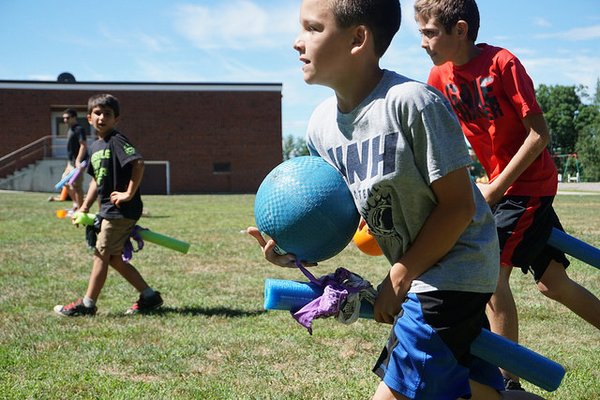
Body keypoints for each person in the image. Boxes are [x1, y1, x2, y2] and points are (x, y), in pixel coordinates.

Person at [248, 1, 543, 398]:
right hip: (418, 272)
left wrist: (400, 275)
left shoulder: (412, 103)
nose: (297, 42)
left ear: (358, 39)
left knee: (398, 390)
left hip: (456, 268)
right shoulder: (320, 127)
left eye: (313, 29)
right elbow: (333, 211)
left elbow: (460, 206)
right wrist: (295, 247)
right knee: (464, 385)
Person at [414, 0, 600, 390]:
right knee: (553, 283)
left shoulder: (502, 64)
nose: (423, 43)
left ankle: (506, 384)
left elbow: (540, 135)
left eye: (429, 33)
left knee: (489, 274)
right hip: (497, 187)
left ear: (459, 30)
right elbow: (442, 142)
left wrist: (496, 188)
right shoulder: (438, 77)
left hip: (527, 187)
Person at [54, 94, 163, 317]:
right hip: (107, 210)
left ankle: (87, 304)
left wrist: (128, 193)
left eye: (108, 114)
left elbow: (138, 163)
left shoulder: (116, 140)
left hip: (121, 211)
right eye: (98, 113)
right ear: (90, 117)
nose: (102, 117)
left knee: (100, 253)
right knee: (112, 258)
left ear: (116, 119)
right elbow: (95, 180)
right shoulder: (95, 146)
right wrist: (84, 207)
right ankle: (149, 296)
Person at [48, 108, 88, 208]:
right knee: (65, 182)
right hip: (70, 163)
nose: (65, 120)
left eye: (67, 118)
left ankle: (81, 208)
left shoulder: (79, 129)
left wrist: (78, 160)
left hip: (78, 163)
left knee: (77, 186)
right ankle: (75, 203)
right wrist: (69, 163)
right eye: (64, 118)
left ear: (74, 117)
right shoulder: (70, 129)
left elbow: (83, 145)